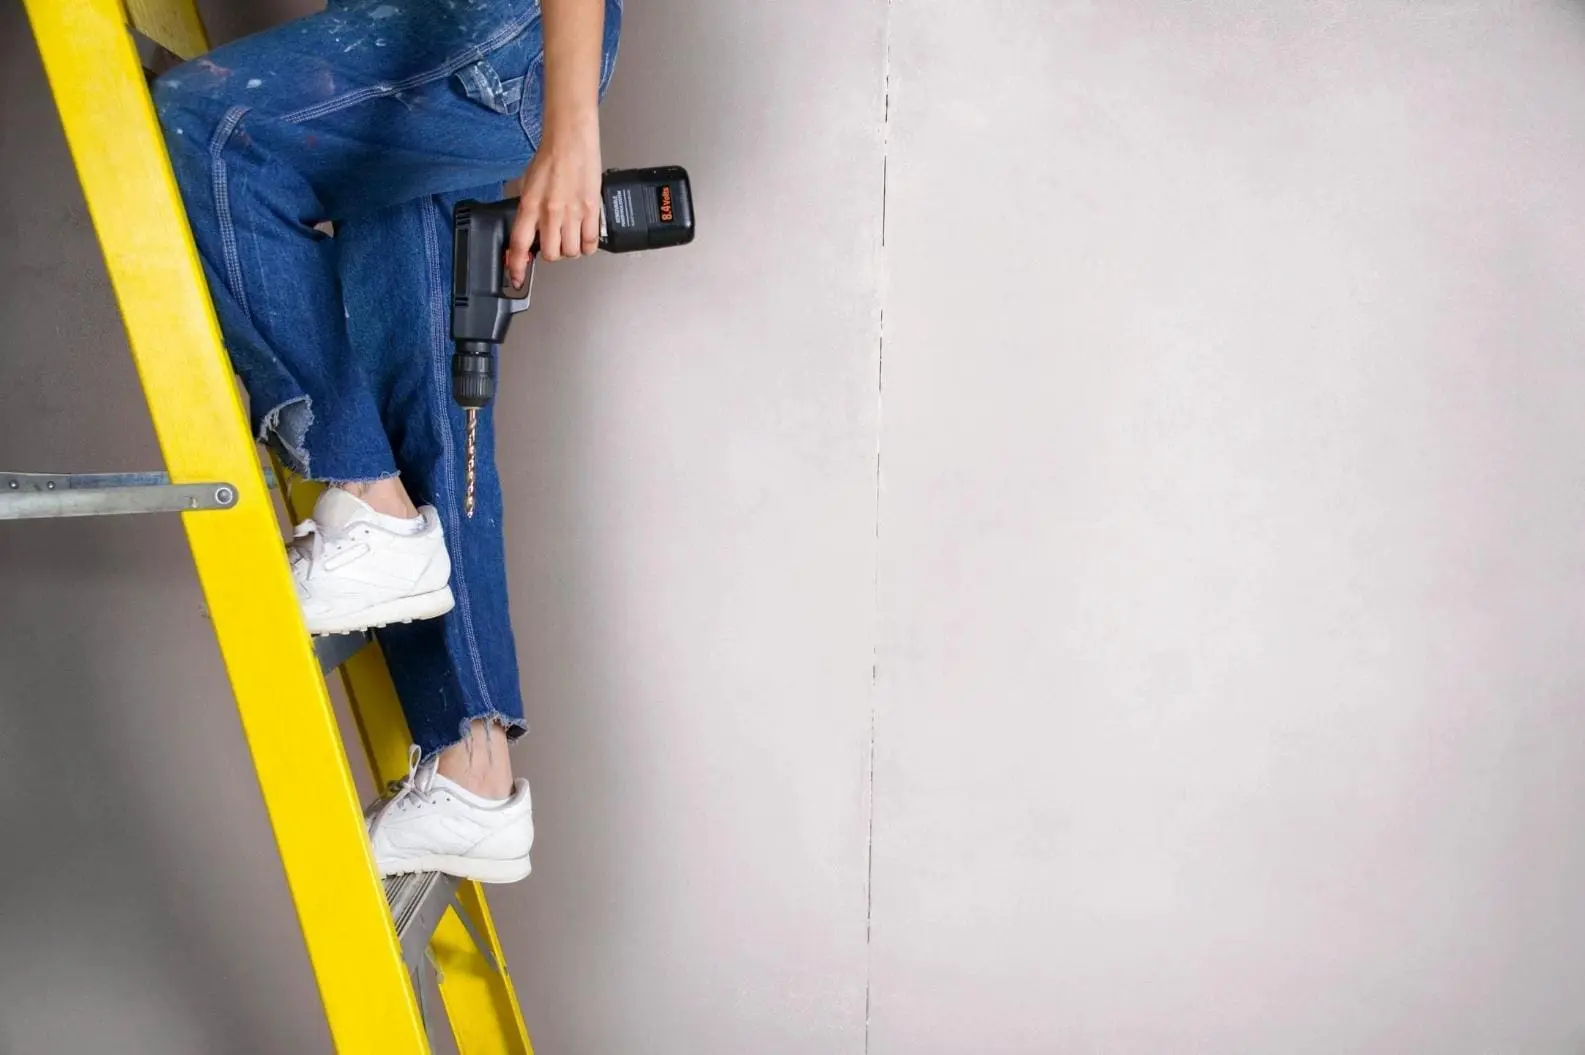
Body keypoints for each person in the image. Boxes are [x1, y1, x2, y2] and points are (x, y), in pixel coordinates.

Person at [151, 0, 622, 884]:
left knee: (212, 126)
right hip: (427, 38)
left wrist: (571, 132)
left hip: (474, 34)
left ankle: (368, 504)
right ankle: (471, 775)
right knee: (422, 390)